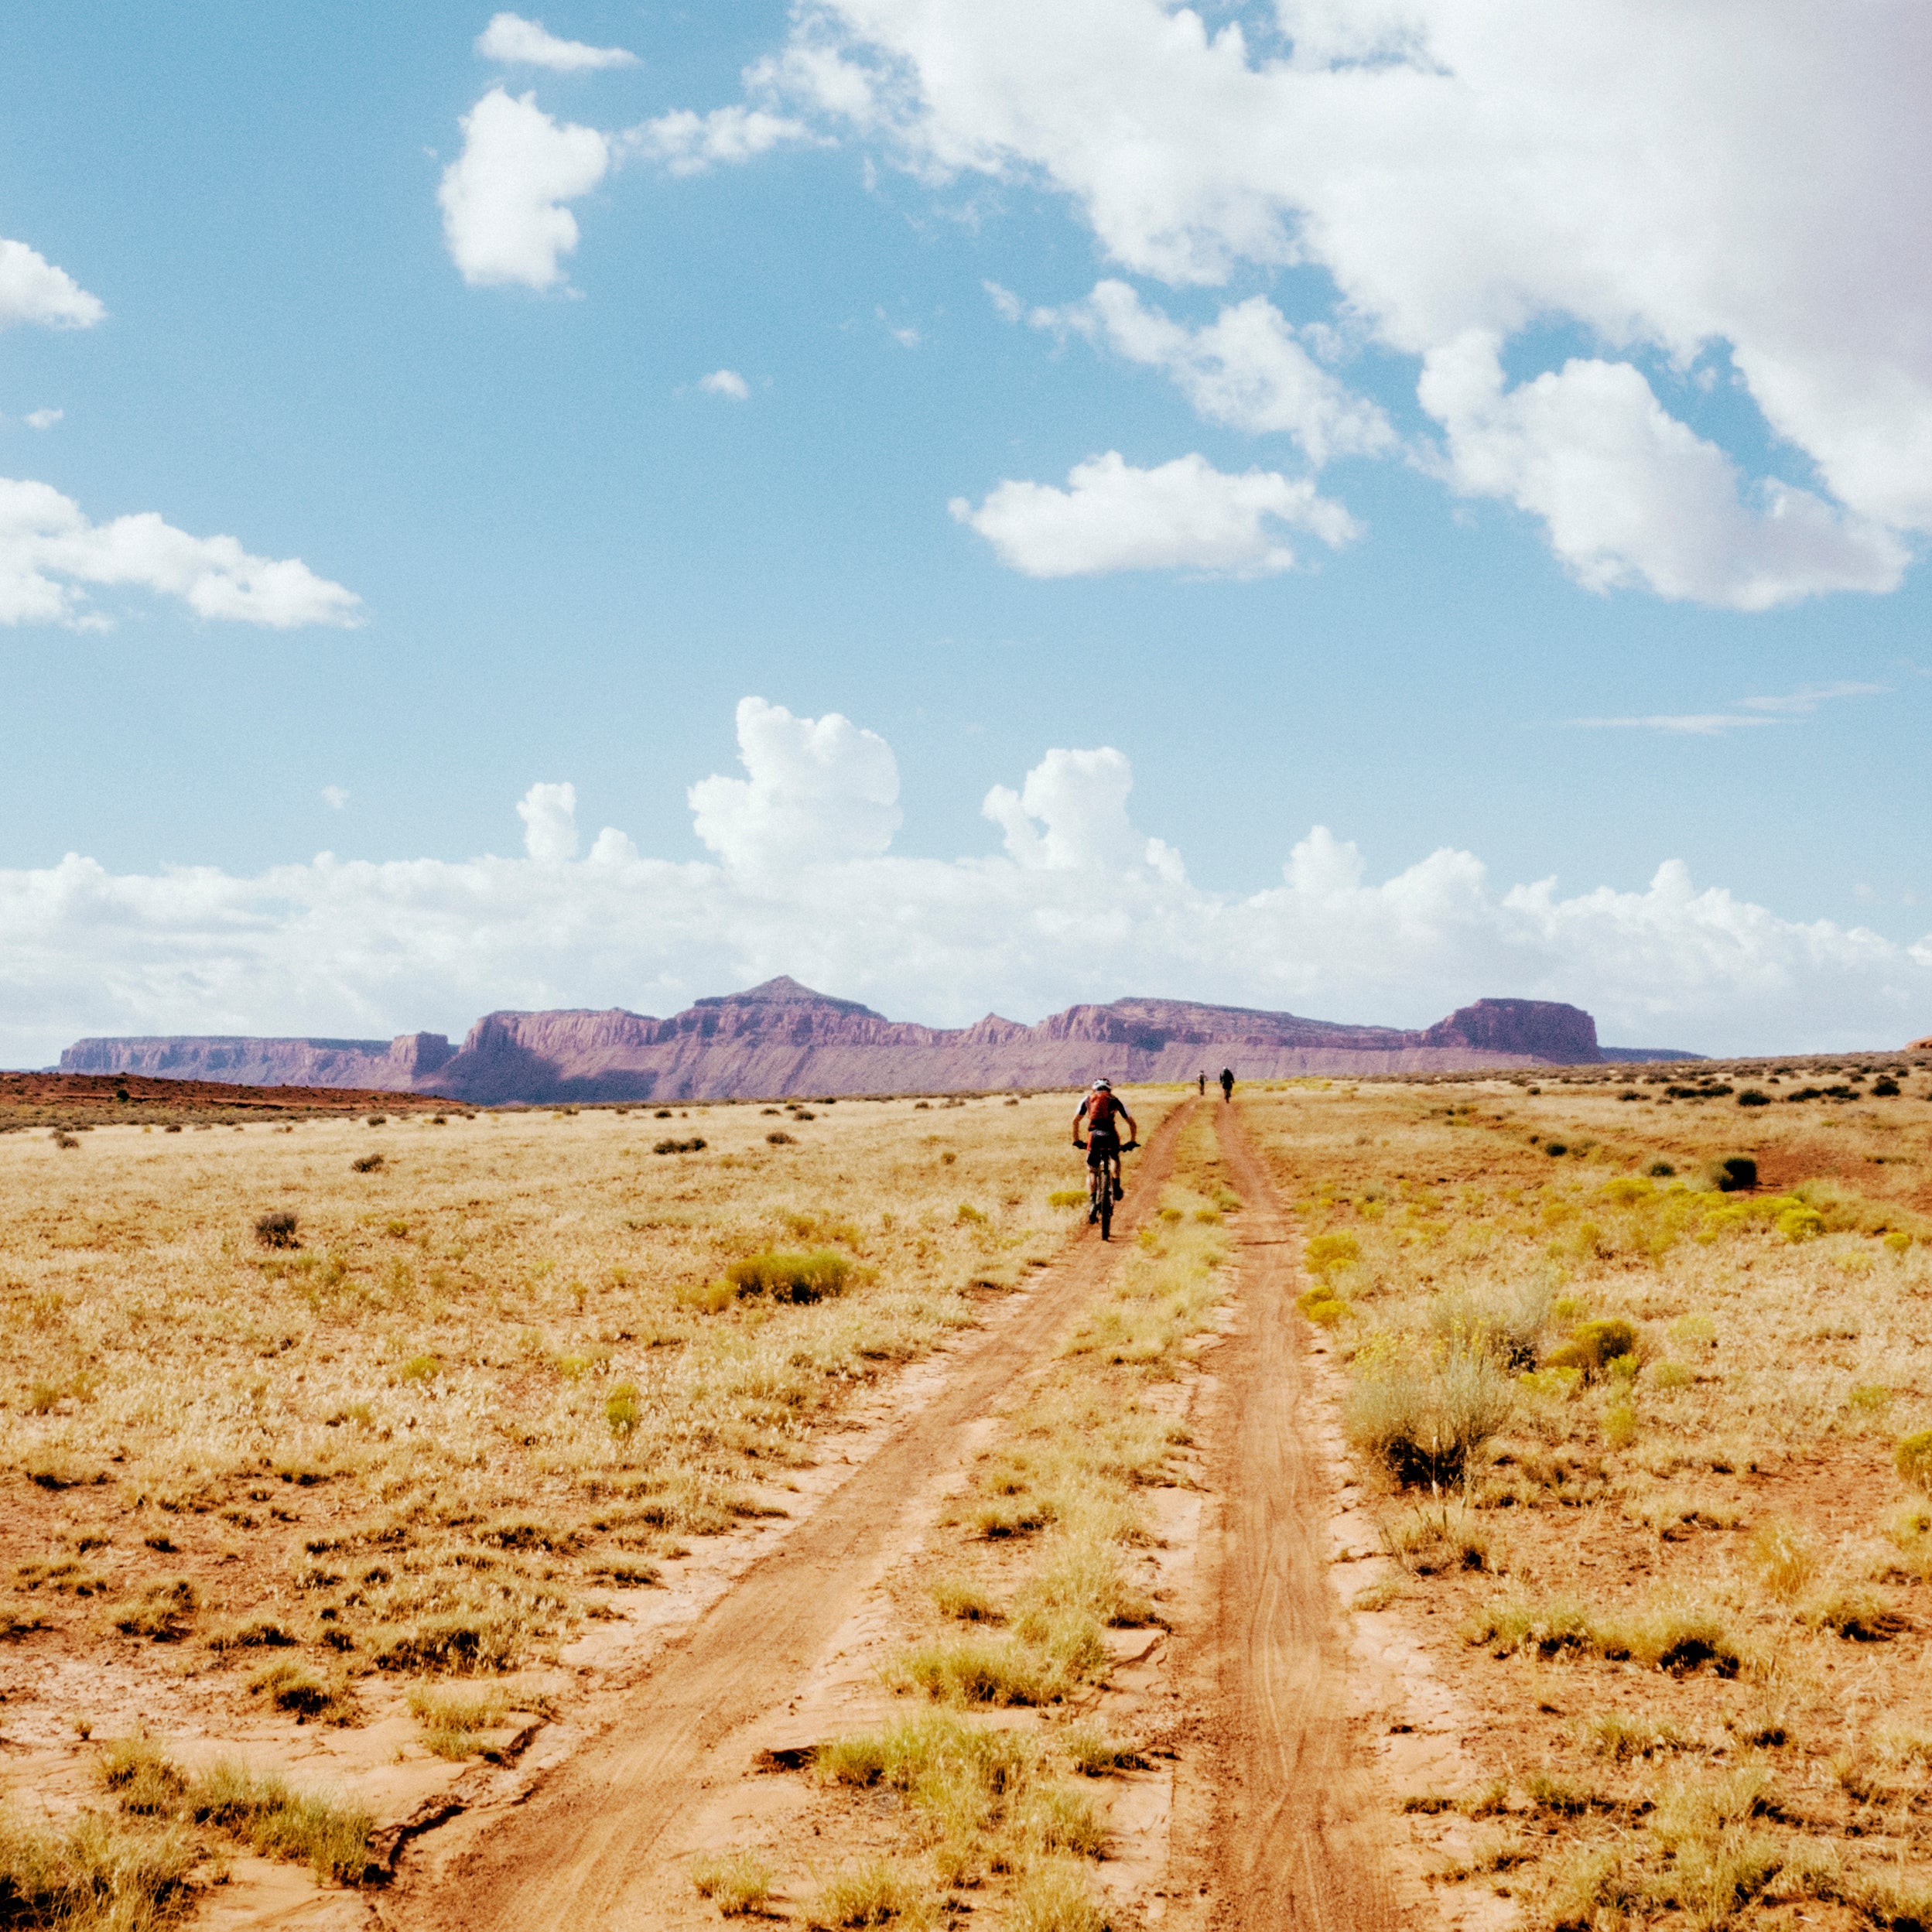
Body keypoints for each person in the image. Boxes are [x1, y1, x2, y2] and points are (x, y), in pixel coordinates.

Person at [1073, 1079, 1138, 1216]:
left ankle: (1092, 1203)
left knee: (1092, 1170)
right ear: (1110, 1089)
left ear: (1093, 1089)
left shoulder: (1087, 1100)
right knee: (1114, 1157)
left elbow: (1075, 1121)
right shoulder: (1115, 1100)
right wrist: (1132, 1141)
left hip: (1094, 1136)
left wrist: (1077, 1140)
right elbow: (1132, 1123)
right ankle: (1116, 1183)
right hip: (1111, 1135)